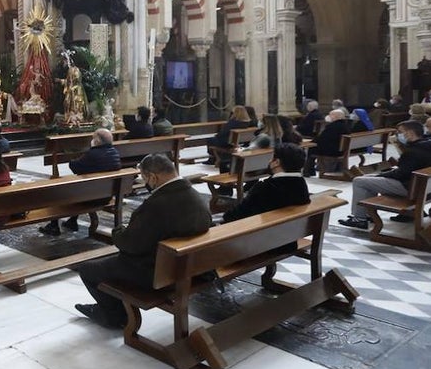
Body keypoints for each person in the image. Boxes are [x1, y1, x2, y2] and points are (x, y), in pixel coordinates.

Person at [75, 154, 211, 329]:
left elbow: (131, 245)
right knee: (111, 264)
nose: (145, 182)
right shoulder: (195, 196)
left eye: (144, 178)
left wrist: (118, 232)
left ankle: (114, 316)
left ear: (153, 177)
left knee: (88, 269)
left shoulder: (156, 205)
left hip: (156, 273)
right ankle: (115, 311)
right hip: (190, 267)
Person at [339, 120, 431, 230]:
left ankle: (360, 219)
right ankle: (367, 214)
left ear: (410, 133)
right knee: (367, 179)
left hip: (412, 188)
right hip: (427, 186)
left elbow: (401, 173)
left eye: (400, 132)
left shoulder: (413, 150)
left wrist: (382, 175)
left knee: (359, 181)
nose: (398, 135)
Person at [40, 128, 121, 236]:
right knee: (82, 188)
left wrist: (73, 159)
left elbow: (75, 167)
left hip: (90, 197)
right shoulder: (115, 153)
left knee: (57, 189)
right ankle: (72, 221)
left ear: (97, 141)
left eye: (93, 138)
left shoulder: (93, 154)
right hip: (106, 196)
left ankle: (54, 226)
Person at [220, 143, 311, 225]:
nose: (269, 160)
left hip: (261, 238)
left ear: (276, 162)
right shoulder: (301, 185)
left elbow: (237, 214)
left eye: (272, 158)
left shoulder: (266, 187)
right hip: (290, 238)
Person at [208, 105, 254, 171]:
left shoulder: (233, 122)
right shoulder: (247, 122)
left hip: (228, 142)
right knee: (214, 139)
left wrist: (217, 135)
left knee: (210, 140)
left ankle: (214, 159)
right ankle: (219, 158)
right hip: (238, 141)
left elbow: (223, 132)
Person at [306, 108, 351, 176]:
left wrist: (312, 142)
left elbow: (322, 139)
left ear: (336, 116)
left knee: (311, 148)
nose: (329, 117)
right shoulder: (346, 125)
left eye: (330, 115)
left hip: (334, 151)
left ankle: (309, 171)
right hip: (341, 150)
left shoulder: (332, 126)